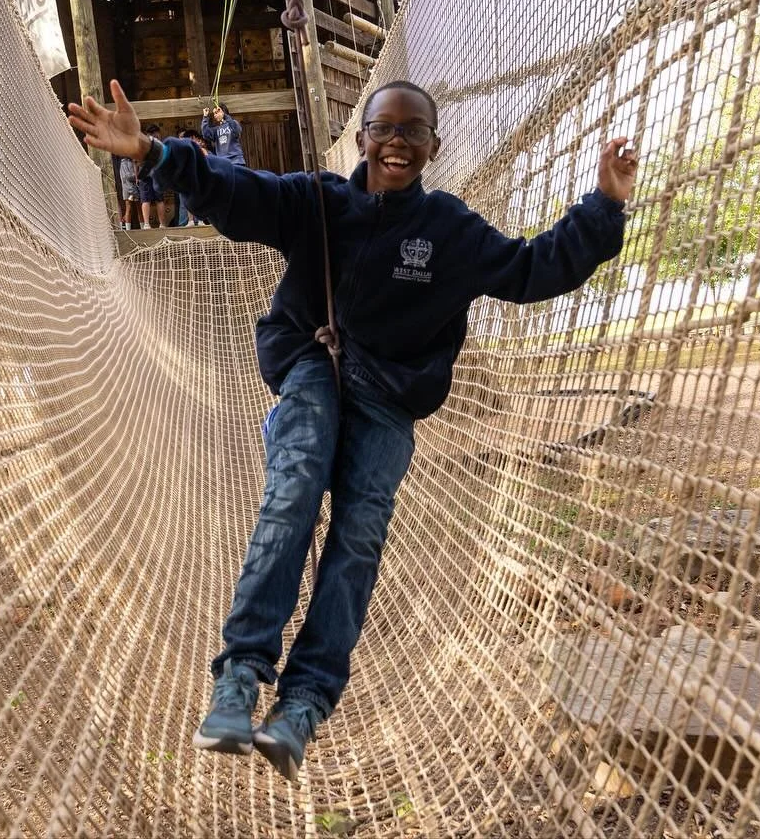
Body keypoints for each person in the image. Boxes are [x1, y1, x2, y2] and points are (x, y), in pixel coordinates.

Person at [66, 79, 636, 783]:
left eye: (413, 132)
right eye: (384, 128)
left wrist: (604, 207)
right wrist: (154, 152)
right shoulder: (318, 202)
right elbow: (239, 195)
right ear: (361, 136)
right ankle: (240, 675)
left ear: (433, 145)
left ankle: (303, 702)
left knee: (360, 531)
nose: (397, 142)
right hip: (315, 360)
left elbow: (529, 270)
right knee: (296, 484)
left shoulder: (449, 231)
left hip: (391, 398)